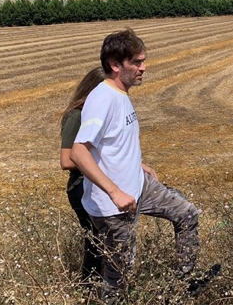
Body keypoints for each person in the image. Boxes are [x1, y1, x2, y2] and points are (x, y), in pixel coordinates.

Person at [70, 29, 216, 301]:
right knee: (119, 273)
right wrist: (115, 192)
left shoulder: (120, 94)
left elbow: (113, 143)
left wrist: (139, 164)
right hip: (112, 204)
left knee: (187, 214)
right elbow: (79, 152)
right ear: (115, 64)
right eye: (136, 62)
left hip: (138, 185)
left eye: (143, 61)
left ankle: (182, 287)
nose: (143, 68)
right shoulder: (102, 99)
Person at [60, 67, 106, 286]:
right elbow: (67, 161)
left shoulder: (94, 116)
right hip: (81, 187)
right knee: (96, 242)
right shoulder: (76, 116)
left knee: (101, 242)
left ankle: (93, 289)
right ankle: (89, 289)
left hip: (94, 185)